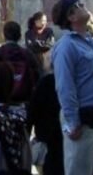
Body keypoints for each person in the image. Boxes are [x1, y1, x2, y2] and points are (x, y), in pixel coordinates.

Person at [49, 0, 93, 175]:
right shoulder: (66, 46)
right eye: (78, 5)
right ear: (71, 17)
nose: (83, 5)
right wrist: (72, 121)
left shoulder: (91, 42)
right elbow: (64, 86)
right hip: (82, 121)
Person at [26, 42, 62, 175]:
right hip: (64, 136)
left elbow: (32, 111)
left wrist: (27, 134)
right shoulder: (68, 81)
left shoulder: (45, 83)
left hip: (46, 138)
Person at [0, 21, 39, 107]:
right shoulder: (28, 54)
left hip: (1, 98)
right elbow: (37, 75)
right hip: (23, 98)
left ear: (4, 35)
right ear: (19, 36)